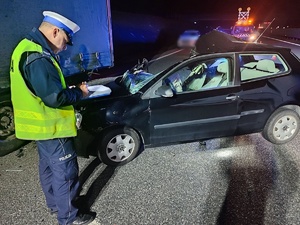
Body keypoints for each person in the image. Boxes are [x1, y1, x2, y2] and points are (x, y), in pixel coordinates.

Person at [10, 11, 95, 225]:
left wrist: (70, 86)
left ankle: (56, 205)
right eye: (65, 41)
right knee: (66, 174)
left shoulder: (25, 47)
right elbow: (54, 97)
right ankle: (69, 217)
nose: (65, 47)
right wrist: (81, 93)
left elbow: (44, 88)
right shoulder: (38, 56)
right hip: (53, 127)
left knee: (48, 169)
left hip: (41, 129)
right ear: (55, 31)